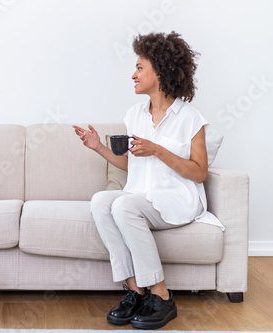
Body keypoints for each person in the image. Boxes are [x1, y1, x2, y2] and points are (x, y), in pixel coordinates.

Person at [73, 32, 223, 330]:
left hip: (177, 200)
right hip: (141, 196)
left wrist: (158, 150)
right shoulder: (134, 114)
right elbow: (132, 165)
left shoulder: (191, 119)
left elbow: (199, 173)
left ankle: (161, 294)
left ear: (162, 70)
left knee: (125, 206)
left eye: (140, 67)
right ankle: (136, 292)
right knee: (102, 201)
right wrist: (98, 147)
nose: (133, 74)